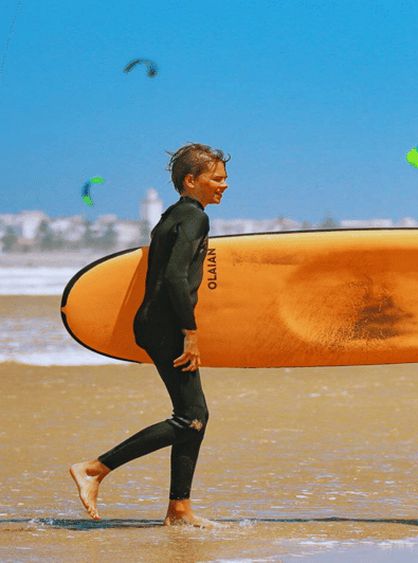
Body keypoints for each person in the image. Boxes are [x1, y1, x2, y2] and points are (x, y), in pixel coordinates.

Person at [69, 143, 229, 527]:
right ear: (192, 181)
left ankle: (179, 509)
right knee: (191, 417)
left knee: (194, 415)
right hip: (167, 326)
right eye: (217, 178)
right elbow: (174, 277)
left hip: (155, 323)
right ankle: (94, 469)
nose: (225, 185)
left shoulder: (171, 216)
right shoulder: (194, 219)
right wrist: (190, 332)